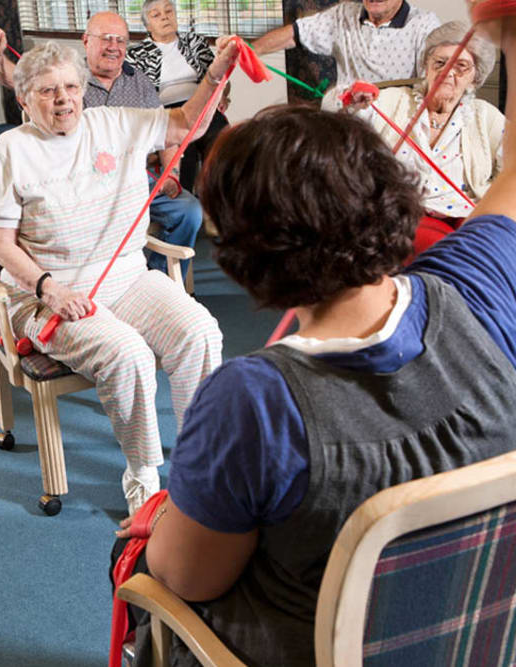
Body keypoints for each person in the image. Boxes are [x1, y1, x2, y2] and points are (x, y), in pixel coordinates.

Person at [114, 13, 516, 665]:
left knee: (135, 562)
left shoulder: (253, 402)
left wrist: (157, 523)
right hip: (484, 639)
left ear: (241, 255)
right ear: (395, 196)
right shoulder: (480, 286)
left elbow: (186, 578)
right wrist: (512, 32)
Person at [0, 41, 236, 512]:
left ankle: (198, 454)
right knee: (128, 353)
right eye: (48, 91)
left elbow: (187, 124)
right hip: (47, 296)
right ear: (24, 99)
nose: (64, 99)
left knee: (201, 332)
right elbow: (1, 245)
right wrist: (49, 289)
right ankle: (142, 470)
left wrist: (217, 72)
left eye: (71, 87)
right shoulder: (10, 150)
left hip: (127, 278)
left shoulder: (114, 122)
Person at [0, 13, 204, 277]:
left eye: (120, 40)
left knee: (189, 211)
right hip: (87, 182)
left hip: (139, 177)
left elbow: (167, 130)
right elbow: (19, 80)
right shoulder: (70, 78)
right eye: (106, 39)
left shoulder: (140, 81)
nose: (114, 46)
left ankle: (156, 275)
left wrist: (171, 174)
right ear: (86, 41)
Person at [336, 21, 503, 255]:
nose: (448, 73)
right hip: (403, 212)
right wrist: (351, 100)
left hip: (465, 213)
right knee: (438, 247)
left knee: (491, 246)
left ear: (475, 78)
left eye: (461, 66)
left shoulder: (485, 116)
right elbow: (346, 122)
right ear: (426, 67)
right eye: (440, 63)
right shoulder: (390, 101)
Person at [242, 0, 441, 106]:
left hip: (395, 127)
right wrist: (251, 50)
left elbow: (429, 88)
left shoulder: (424, 24)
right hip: (349, 127)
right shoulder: (344, 15)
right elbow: (296, 33)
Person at [126, 0, 228, 193]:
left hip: (202, 106)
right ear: (147, 25)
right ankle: (190, 209)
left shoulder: (194, 42)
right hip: (167, 113)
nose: (165, 16)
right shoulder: (135, 53)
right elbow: (134, 93)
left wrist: (222, 94)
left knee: (223, 148)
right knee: (184, 157)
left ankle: (220, 203)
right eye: (156, 15)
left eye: (169, 11)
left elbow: (219, 76)